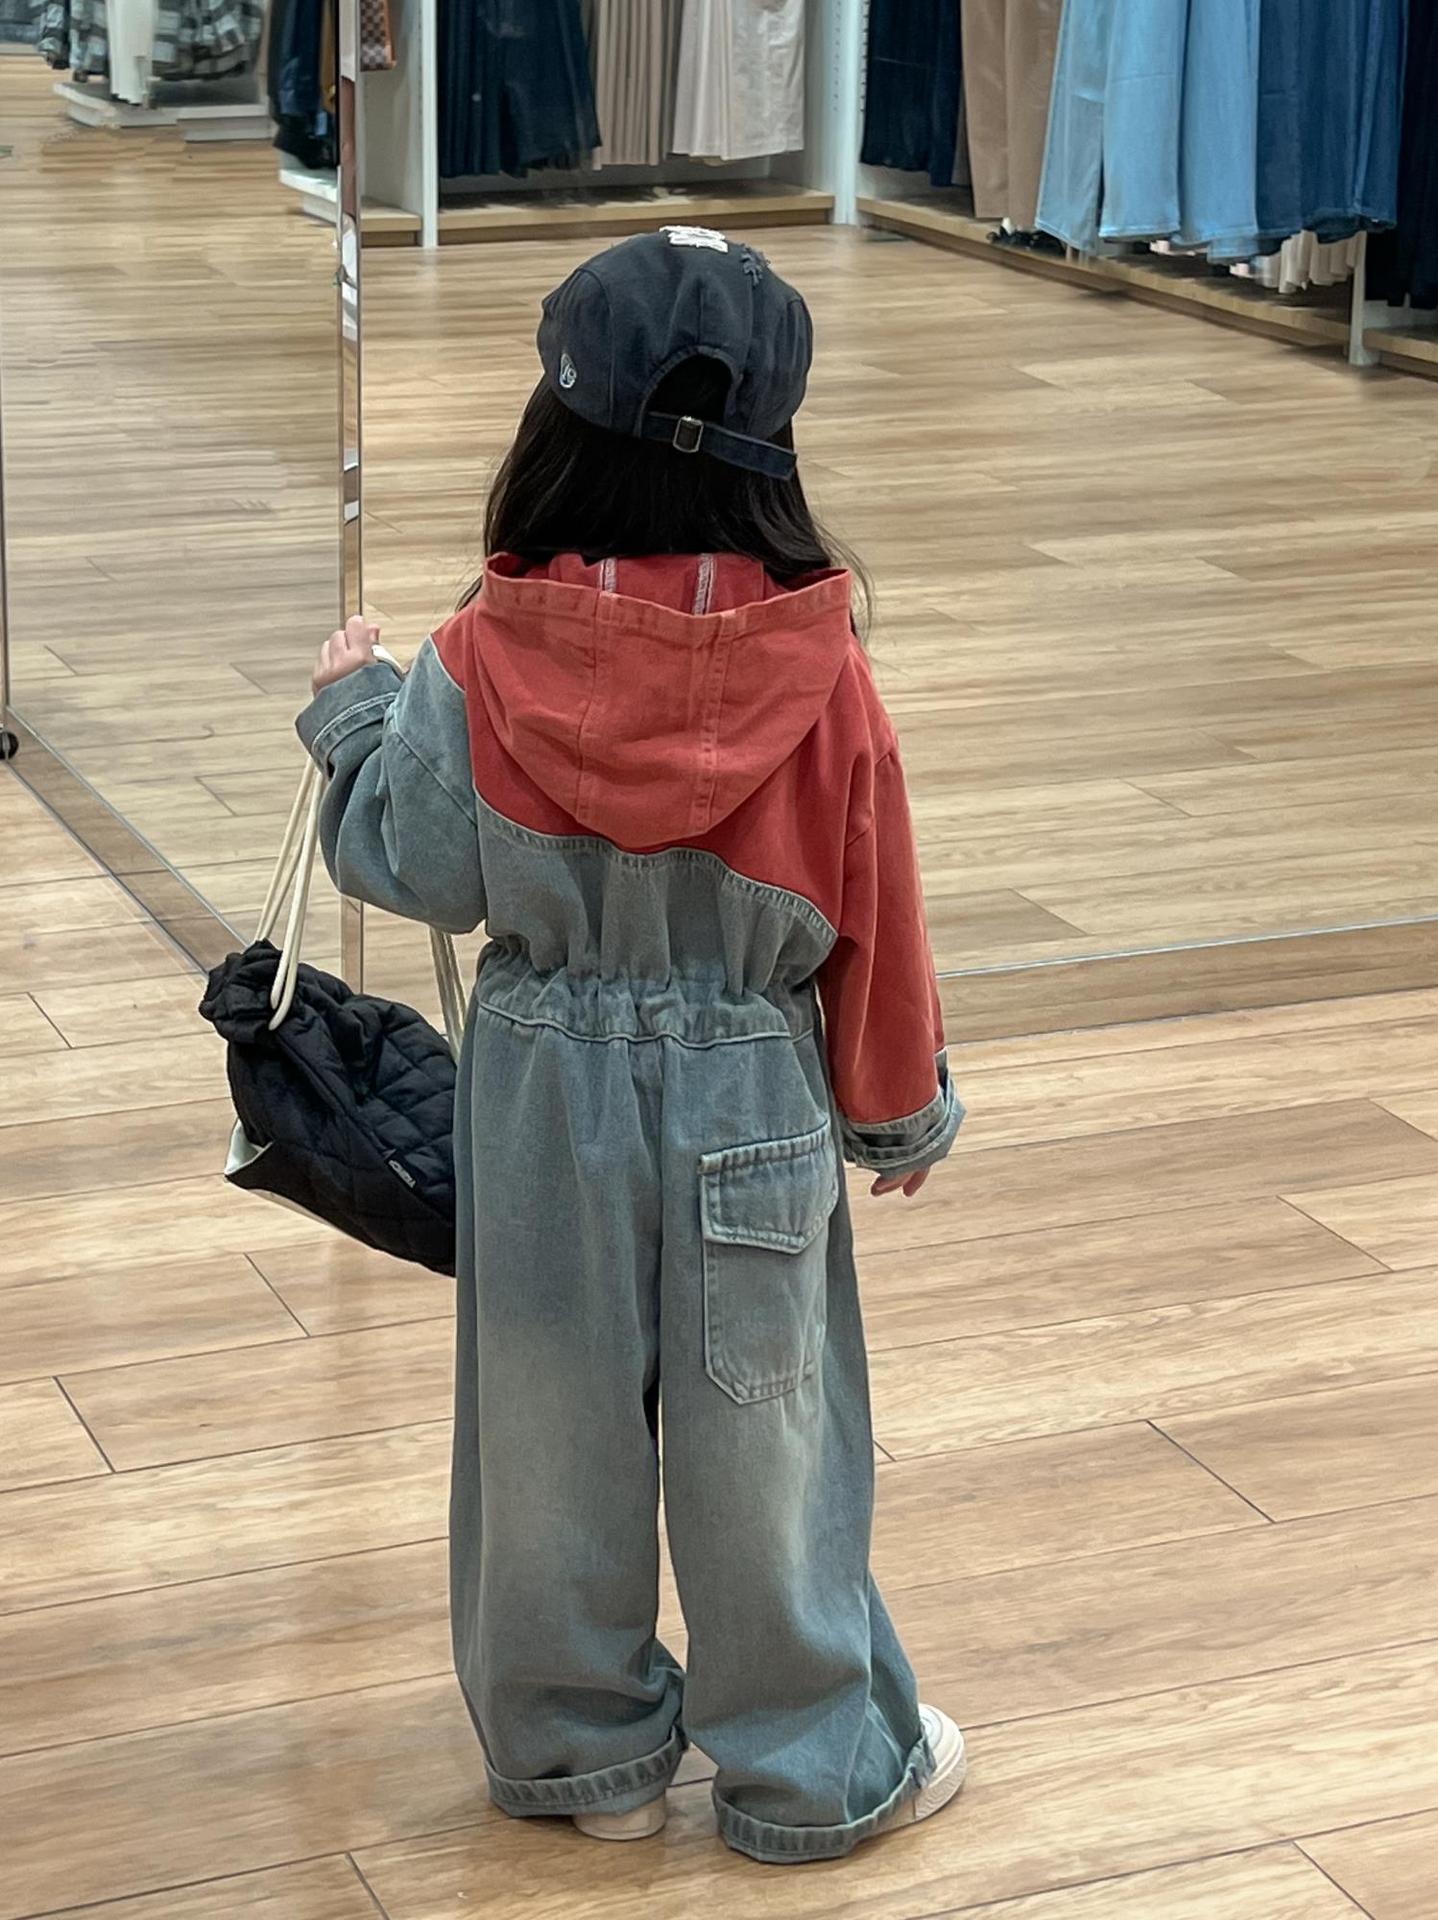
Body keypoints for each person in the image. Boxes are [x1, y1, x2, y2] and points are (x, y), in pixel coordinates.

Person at [296, 227, 965, 1867]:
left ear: (554, 421)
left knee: (546, 1436)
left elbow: (411, 864)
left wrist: (354, 712)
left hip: (541, 1089)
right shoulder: (823, 669)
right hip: (751, 1088)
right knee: (767, 1442)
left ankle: (582, 1757)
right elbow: (875, 909)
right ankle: (807, 1769)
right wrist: (892, 1114)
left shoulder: (480, 654)